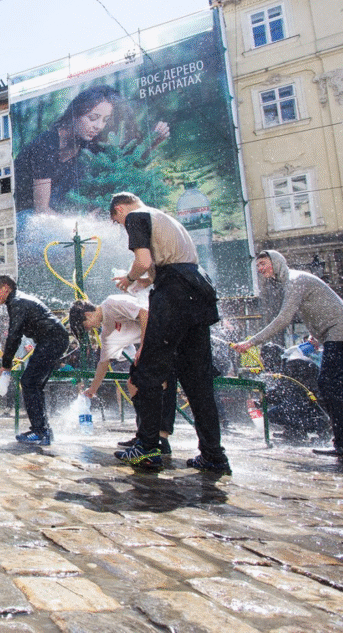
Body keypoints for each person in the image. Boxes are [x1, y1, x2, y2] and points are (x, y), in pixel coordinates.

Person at [110, 192, 229, 473]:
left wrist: (129, 278)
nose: (120, 226)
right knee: (198, 381)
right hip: (198, 292)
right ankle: (214, 456)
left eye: (117, 221)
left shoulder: (136, 216)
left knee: (147, 371)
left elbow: (142, 260)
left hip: (174, 295)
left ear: (120, 209)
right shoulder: (165, 218)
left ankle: (148, 448)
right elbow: (163, 266)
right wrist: (143, 281)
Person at [233, 250, 343, 458]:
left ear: (277, 262)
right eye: (258, 266)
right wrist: (316, 335)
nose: (260, 269)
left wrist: (251, 342)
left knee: (329, 384)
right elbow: (318, 308)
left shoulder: (294, 280)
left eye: (263, 263)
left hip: (340, 332)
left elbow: (284, 319)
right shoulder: (294, 280)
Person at [14, 85, 170, 216]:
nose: (99, 126)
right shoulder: (45, 144)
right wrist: (81, 225)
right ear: (74, 114)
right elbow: (41, 210)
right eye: (93, 118)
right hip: (25, 217)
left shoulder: (86, 144)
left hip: (57, 218)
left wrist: (154, 141)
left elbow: (124, 162)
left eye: (105, 120)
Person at [69, 295, 178, 454]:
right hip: (154, 343)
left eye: (85, 326)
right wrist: (92, 389)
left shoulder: (111, 304)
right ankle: (144, 435)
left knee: (161, 384)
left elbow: (144, 313)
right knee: (133, 383)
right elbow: (103, 363)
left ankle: (161, 437)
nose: (89, 329)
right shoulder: (107, 332)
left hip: (167, 335)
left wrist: (144, 346)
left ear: (88, 315)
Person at [0, 276, 70, 446]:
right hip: (54, 339)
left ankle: (40, 431)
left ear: (6, 288)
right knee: (34, 384)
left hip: (52, 340)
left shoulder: (17, 302)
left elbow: (14, 335)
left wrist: (6, 365)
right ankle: (43, 430)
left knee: (29, 382)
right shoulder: (17, 300)